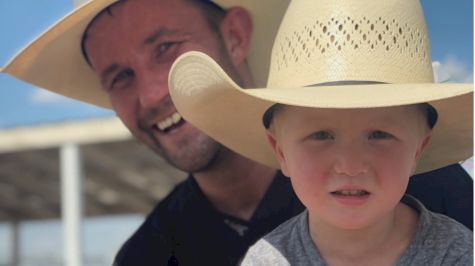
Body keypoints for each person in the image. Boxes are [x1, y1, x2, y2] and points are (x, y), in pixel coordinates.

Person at [1, 0, 472, 265]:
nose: (148, 95)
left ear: (236, 36)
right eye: (119, 77)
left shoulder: (437, 192)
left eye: (166, 48)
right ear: (279, 149)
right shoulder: (146, 258)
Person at [167, 0, 473, 265]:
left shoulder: (459, 255)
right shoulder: (266, 262)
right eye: (321, 136)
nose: (350, 165)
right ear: (280, 150)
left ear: (419, 149)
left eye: (379, 134)